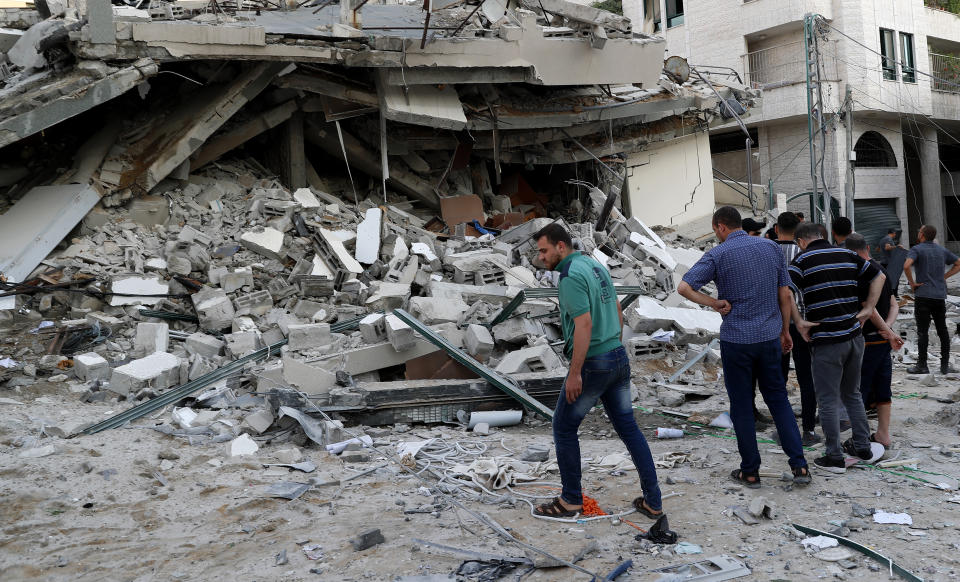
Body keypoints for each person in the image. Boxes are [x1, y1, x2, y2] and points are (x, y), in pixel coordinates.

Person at [532, 223, 663, 519]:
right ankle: (653, 501)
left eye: (544, 250)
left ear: (560, 247)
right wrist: (615, 345)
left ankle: (570, 501)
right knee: (629, 429)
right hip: (616, 356)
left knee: (563, 427)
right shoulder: (592, 264)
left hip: (594, 362)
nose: (541, 257)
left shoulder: (569, 276)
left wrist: (576, 372)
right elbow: (616, 307)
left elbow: (584, 325)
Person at [679, 206, 811, 488]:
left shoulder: (718, 254)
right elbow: (784, 293)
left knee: (741, 405)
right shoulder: (771, 248)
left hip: (737, 340)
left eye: (716, 230)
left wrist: (714, 303)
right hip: (768, 336)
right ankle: (799, 466)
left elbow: (684, 287)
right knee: (778, 400)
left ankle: (750, 471)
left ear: (720, 227)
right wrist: (785, 330)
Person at [789, 223, 886, 473]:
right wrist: (868, 309)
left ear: (801, 241)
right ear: (822, 236)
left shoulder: (801, 260)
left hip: (827, 340)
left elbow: (786, 291)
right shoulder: (848, 254)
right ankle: (863, 447)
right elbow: (880, 276)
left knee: (828, 400)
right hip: (854, 337)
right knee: (852, 394)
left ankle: (834, 456)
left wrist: (798, 322)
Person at [845, 233, 904, 447]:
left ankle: (860, 438)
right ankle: (883, 434)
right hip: (883, 341)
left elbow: (868, 310)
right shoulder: (882, 270)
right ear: (868, 247)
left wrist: (886, 331)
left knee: (859, 389)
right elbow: (894, 304)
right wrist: (888, 329)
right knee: (882, 388)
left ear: (849, 253)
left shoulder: (862, 274)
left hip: (868, 340)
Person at [774, 212, 820, 445]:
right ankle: (809, 430)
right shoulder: (804, 253)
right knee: (806, 378)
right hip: (803, 323)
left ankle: (784, 428)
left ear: (776, 229)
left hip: (776, 324)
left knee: (778, 378)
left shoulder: (768, 252)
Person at [903, 225, 960, 375]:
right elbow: (958, 263)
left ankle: (922, 365)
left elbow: (907, 265)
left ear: (922, 235)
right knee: (942, 330)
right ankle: (944, 366)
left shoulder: (917, 249)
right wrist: (944, 278)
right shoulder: (941, 250)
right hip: (939, 296)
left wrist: (912, 282)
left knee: (923, 331)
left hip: (923, 295)